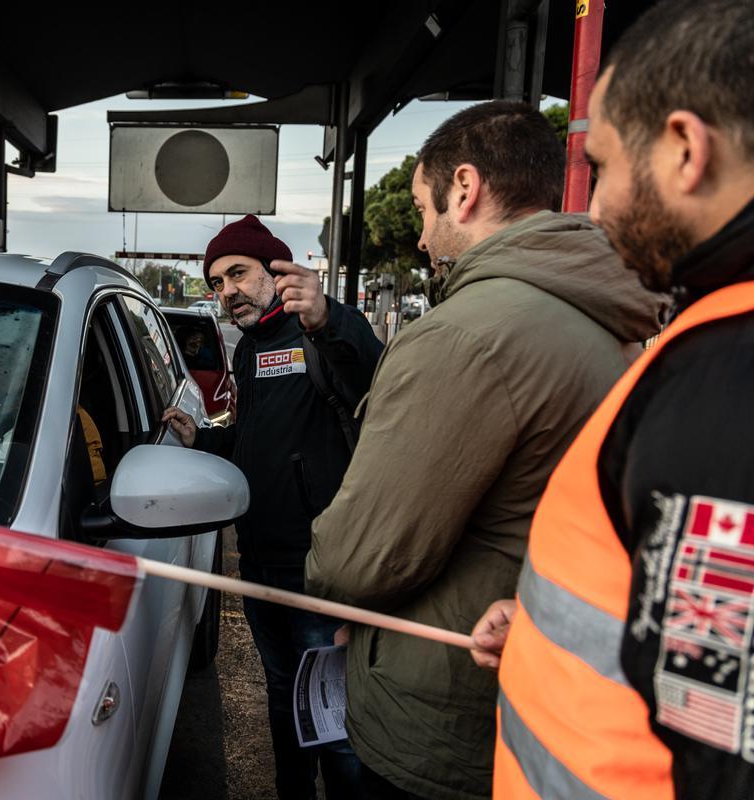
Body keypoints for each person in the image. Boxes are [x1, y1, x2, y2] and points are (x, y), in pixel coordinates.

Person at [303, 101, 663, 800]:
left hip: (441, 718)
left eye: (422, 210)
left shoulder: (465, 335)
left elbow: (363, 556)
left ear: (464, 190)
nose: (419, 240)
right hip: (529, 692)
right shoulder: (598, 321)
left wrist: (321, 566)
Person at [469, 2, 754, 797]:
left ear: (686, 150)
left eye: (602, 168)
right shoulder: (712, 333)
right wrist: (542, 634)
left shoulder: (727, 384)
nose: (590, 210)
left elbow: (722, 745)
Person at [162, 214, 382, 800]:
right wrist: (201, 440)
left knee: (334, 723)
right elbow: (255, 440)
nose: (228, 291)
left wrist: (331, 318)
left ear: (277, 271)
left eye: (239, 273)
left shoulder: (319, 335)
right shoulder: (249, 351)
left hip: (318, 571)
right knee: (284, 699)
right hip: (260, 565)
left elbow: (374, 380)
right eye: (217, 282)